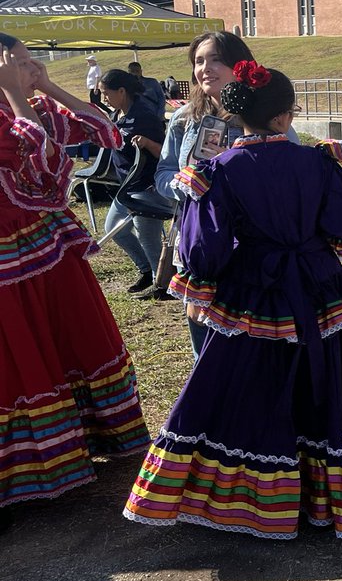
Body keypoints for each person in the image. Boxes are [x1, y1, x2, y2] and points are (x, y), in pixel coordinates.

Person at [123, 64, 342, 539]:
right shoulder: (318, 161)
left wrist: (201, 286)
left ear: (240, 119)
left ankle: (252, 497)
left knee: (249, 385)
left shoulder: (216, 172)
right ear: (282, 119)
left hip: (254, 291)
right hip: (319, 287)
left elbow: (203, 250)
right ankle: (330, 487)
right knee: (330, 383)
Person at [0, 33, 150, 521]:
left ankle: (90, 437)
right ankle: (34, 465)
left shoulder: (33, 105)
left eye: (30, 61)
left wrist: (51, 89)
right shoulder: (14, 116)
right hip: (9, 262)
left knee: (72, 338)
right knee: (24, 349)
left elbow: (106, 133)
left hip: (49, 248)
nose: (31, 69)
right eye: (20, 63)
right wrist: (17, 94)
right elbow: (37, 158)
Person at [152, 31, 297, 339]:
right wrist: (188, 185)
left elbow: (289, 173)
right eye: (199, 61)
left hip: (252, 249)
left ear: (240, 65)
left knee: (247, 343)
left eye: (216, 59)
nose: (205, 68)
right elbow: (164, 172)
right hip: (198, 243)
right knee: (202, 339)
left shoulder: (262, 115)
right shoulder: (183, 118)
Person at [98, 69, 167, 293]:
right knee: (114, 229)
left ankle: (162, 283)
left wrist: (147, 142)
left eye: (105, 93)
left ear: (121, 91)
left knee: (147, 235)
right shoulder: (116, 114)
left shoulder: (145, 116)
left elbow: (165, 154)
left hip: (147, 187)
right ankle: (147, 270)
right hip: (126, 187)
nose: (103, 98)